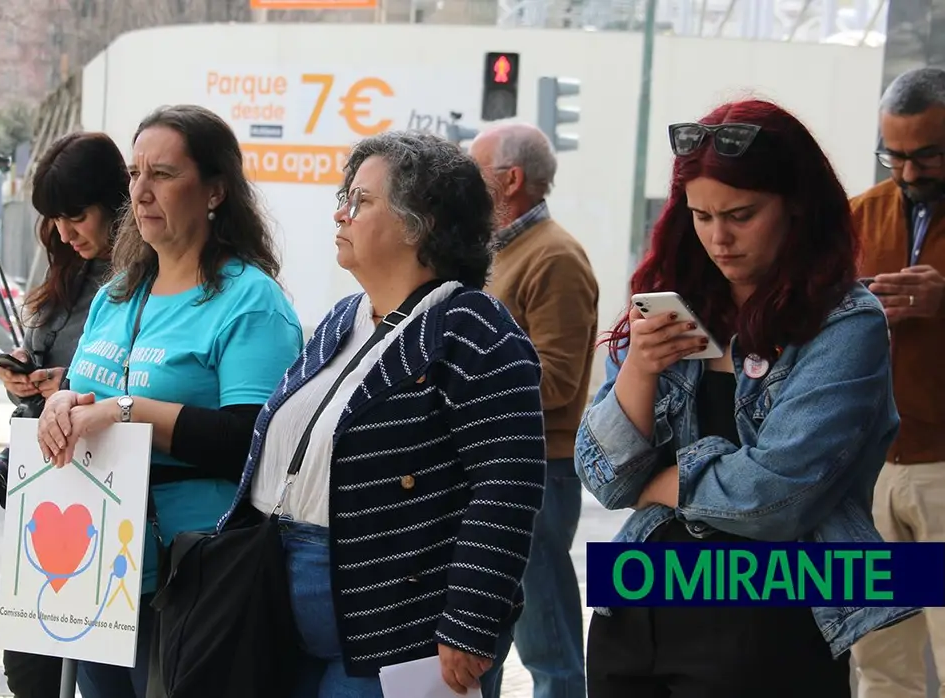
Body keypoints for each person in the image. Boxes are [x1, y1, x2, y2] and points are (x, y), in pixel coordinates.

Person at [576, 100, 920, 698]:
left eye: (741, 215)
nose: (718, 237)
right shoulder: (672, 299)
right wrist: (639, 365)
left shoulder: (845, 321)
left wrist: (661, 481)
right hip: (636, 599)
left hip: (771, 607)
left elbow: (777, 494)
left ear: (796, 206)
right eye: (701, 215)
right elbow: (604, 477)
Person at [217, 130, 545, 698]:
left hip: (399, 622)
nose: (341, 214)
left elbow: (507, 485)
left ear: (424, 224)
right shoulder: (346, 317)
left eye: (362, 201)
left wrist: (468, 625)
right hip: (277, 595)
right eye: (344, 198)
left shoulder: (476, 329)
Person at [35, 104, 304, 698]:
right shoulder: (118, 293)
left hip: (193, 575)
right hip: (98, 566)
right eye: (135, 174)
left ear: (214, 191)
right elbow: (85, 392)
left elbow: (252, 442)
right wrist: (61, 405)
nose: (141, 191)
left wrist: (128, 412)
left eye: (163, 174)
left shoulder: (249, 303)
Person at [0, 131, 132, 698]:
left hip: (110, 490)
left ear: (118, 202)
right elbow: (39, 385)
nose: (66, 231)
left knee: (96, 667)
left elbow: (146, 385)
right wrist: (24, 379)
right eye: (56, 219)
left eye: (77, 215)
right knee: (30, 669)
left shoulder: (147, 278)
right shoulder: (63, 267)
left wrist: (72, 387)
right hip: (43, 486)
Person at [471, 122, 596, 698]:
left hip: (536, 472)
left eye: (474, 171)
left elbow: (559, 382)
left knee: (547, 647)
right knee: (482, 643)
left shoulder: (555, 259)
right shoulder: (498, 252)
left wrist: (461, 383)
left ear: (510, 180)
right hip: (498, 467)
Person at [851, 67, 945, 698]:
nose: (908, 174)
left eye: (928, 155)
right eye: (895, 156)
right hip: (866, 472)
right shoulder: (856, 216)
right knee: (880, 660)